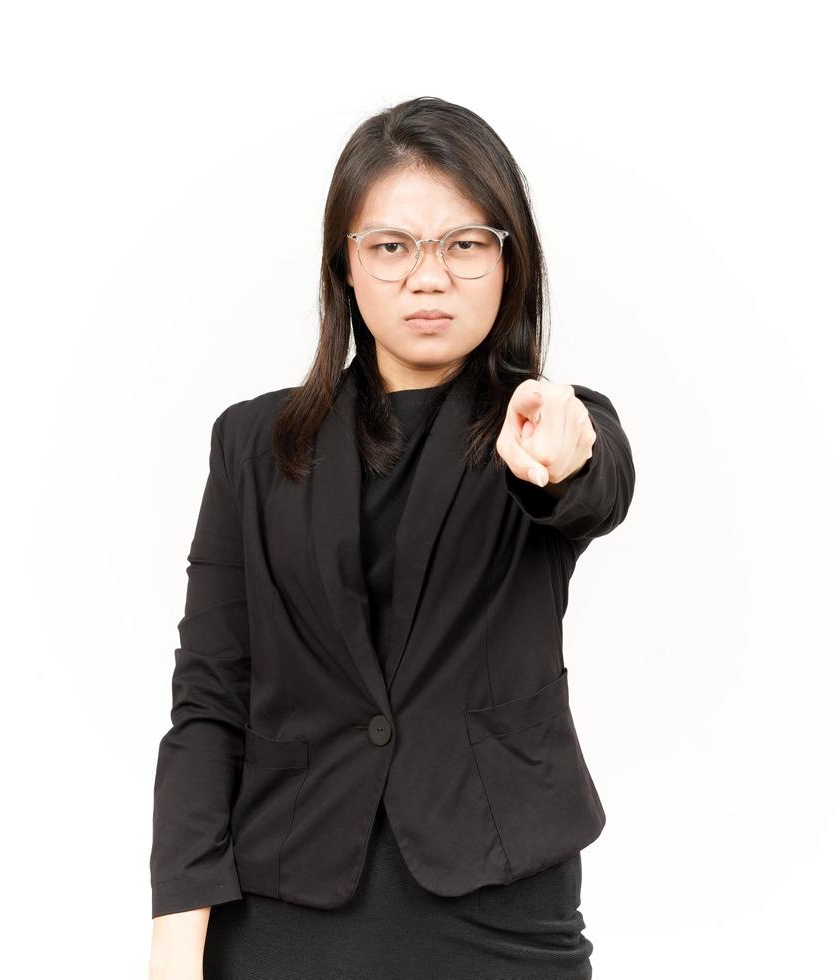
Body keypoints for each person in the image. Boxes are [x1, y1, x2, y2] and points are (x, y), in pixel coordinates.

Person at [148, 96, 636, 980]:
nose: (428, 277)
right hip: (285, 914)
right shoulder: (253, 445)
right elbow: (211, 695)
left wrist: (566, 447)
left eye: (464, 244)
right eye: (391, 246)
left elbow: (592, 486)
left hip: (500, 914)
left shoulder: (542, 427)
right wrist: (175, 942)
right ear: (345, 265)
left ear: (508, 262)